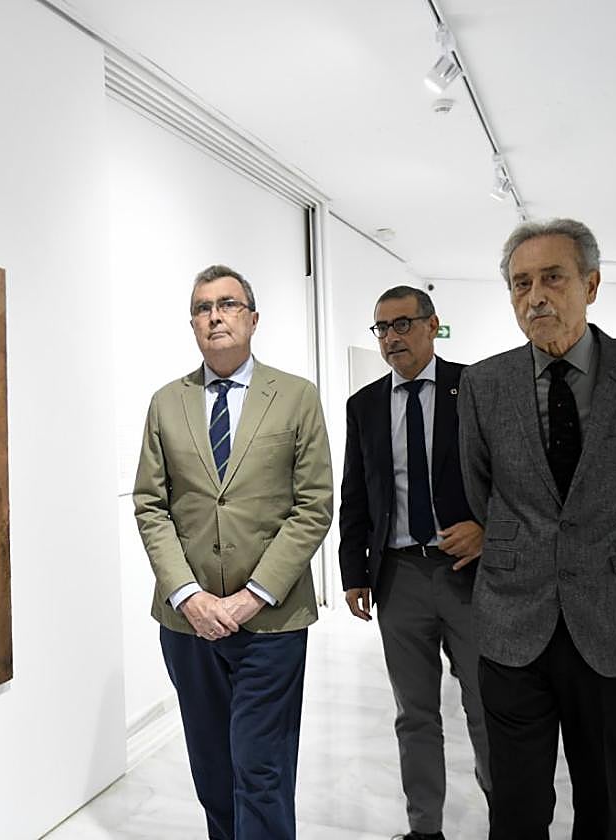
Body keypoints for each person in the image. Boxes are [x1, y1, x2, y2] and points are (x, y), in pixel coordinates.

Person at [457, 218, 616, 839]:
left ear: (590, 284)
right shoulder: (483, 385)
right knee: (515, 804)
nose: (535, 295)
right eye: (520, 284)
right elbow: (482, 492)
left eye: (553, 278)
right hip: (513, 621)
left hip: (615, 618)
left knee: (605, 794)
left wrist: (615, 550)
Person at [133, 264, 333, 840]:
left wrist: (252, 597)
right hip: (187, 623)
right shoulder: (167, 402)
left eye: (226, 304)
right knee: (214, 773)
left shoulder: (295, 396)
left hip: (271, 621)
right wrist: (189, 595)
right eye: (202, 307)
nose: (215, 316)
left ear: (252, 317)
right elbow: (151, 505)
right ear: (192, 323)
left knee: (261, 769)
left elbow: (313, 504)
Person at [338, 285, 489, 840]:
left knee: (486, 707)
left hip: (468, 575)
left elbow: (514, 477)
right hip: (398, 578)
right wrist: (354, 571)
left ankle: (509, 821)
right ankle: (425, 828)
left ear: (433, 325)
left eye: (403, 324)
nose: (392, 337)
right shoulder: (365, 405)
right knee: (415, 714)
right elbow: (357, 493)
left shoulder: (473, 388)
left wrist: (489, 528)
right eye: (382, 328)